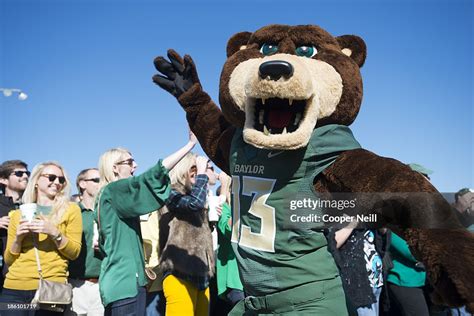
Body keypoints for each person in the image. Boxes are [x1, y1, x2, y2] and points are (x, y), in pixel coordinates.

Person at [96, 131, 197, 316]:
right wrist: (188, 146)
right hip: (125, 283)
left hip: (118, 283)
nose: (135, 165)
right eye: (129, 162)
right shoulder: (113, 191)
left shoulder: (108, 197)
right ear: (114, 168)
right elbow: (150, 178)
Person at [0, 161, 82, 315]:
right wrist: (18, 238)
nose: (57, 182)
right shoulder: (17, 214)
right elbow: (9, 260)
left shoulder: (71, 210)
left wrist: (54, 233)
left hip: (51, 288)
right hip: (14, 289)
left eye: (61, 179)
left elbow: (74, 252)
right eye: (51, 177)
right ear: (36, 181)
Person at [159, 153, 215, 316]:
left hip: (201, 275)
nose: (200, 175)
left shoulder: (198, 197)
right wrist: (203, 174)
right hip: (179, 275)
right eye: (196, 170)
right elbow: (193, 204)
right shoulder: (171, 193)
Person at [66, 168, 103, 316]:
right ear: (82, 184)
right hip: (75, 285)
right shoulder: (70, 212)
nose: (101, 184)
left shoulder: (107, 212)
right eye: (96, 180)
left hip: (101, 284)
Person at [214, 173, 244, 309]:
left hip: (246, 278)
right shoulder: (223, 209)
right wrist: (225, 187)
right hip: (234, 280)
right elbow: (229, 229)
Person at [0, 160, 29, 291]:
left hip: (26, 274)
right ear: (3, 180)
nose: (25, 176)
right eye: (18, 173)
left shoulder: (32, 205)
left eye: (26, 173)